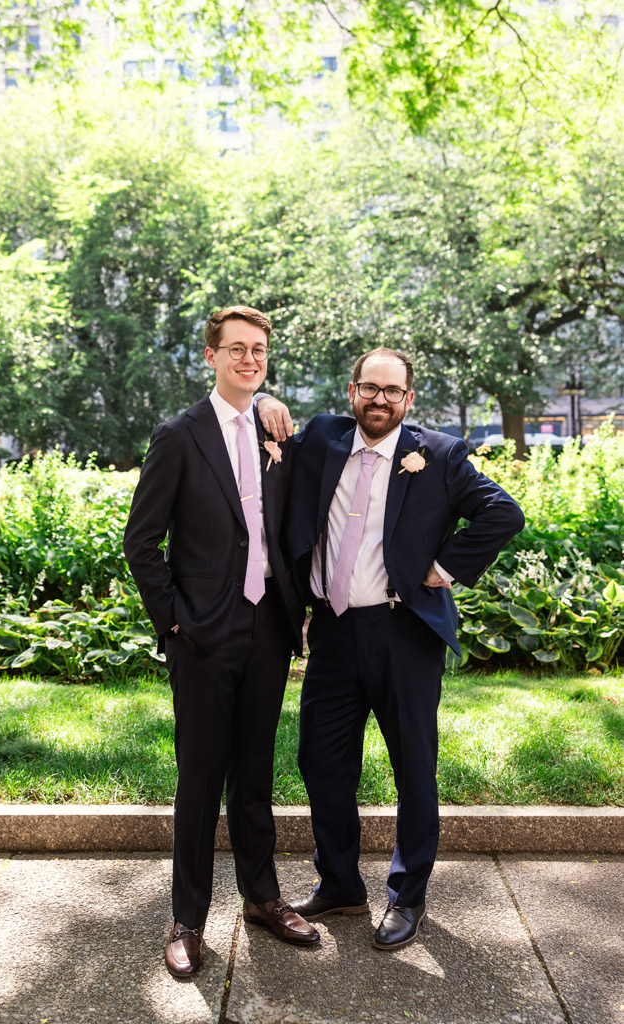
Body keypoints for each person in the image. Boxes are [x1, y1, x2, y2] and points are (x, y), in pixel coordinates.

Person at [257, 347, 524, 950]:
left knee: (413, 770)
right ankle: (342, 884)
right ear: (352, 392)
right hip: (331, 632)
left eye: (392, 391)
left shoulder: (440, 453)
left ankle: (407, 896)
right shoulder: (324, 437)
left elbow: (503, 512)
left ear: (408, 399)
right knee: (321, 764)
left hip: (404, 636)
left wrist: (444, 566)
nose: (379, 400)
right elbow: (256, 427)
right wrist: (267, 402)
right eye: (368, 388)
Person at [124, 306, 319, 979]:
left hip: (268, 625)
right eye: (235, 349)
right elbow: (140, 541)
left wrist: (269, 404)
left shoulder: (276, 432)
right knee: (200, 777)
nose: (248, 359)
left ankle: (263, 897)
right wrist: (175, 621)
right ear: (208, 356)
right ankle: (186, 919)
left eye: (258, 350)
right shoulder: (178, 435)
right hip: (204, 632)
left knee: (256, 772)